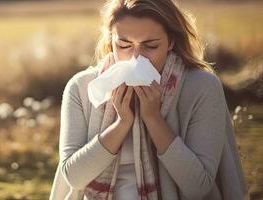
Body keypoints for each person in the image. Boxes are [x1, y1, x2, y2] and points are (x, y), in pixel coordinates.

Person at [49, 0, 248, 199]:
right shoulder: (84, 88)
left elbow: (199, 187)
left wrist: (154, 118)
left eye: (150, 46)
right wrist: (121, 123)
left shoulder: (201, 87)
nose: (136, 58)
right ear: (111, 42)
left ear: (170, 41)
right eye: (124, 45)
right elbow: (73, 178)